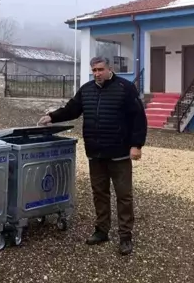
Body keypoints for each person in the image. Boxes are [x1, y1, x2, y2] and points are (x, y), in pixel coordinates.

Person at [38, 56, 147, 256]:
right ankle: (101, 230)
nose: (97, 73)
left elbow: (138, 117)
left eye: (100, 69)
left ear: (109, 69)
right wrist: (52, 116)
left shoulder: (125, 88)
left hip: (119, 154)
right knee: (100, 194)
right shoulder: (87, 90)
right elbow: (72, 109)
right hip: (95, 153)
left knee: (124, 196)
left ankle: (125, 237)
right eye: (94, 70)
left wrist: (136, 145)